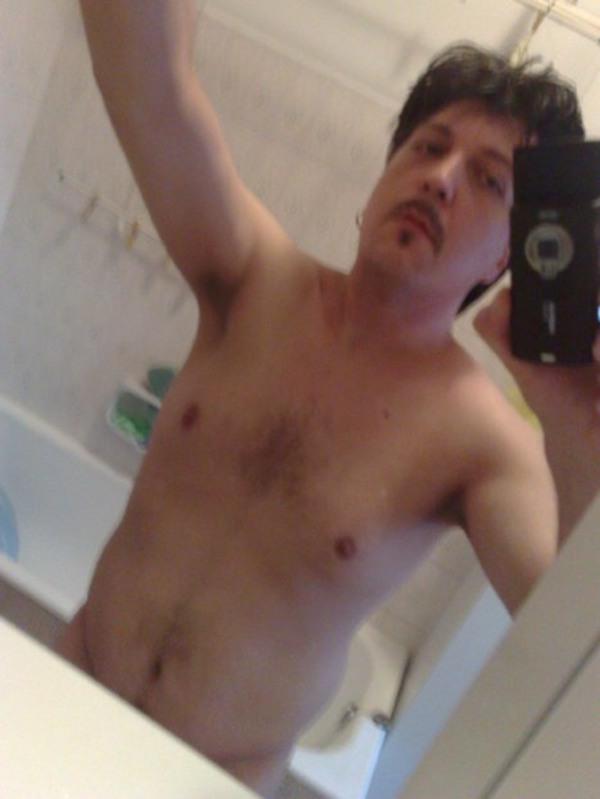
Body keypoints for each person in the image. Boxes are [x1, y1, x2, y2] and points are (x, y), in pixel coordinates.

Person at [58, 2, 599, 796]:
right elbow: (151, 86)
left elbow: (575, 637)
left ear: (503, 260)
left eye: (489, 180)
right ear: (382, 178)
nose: (440, 177)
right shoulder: (254, 278)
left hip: (206, 780)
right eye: (429, 146)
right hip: (67, 691)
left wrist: (576, 415)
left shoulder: (483, 444)